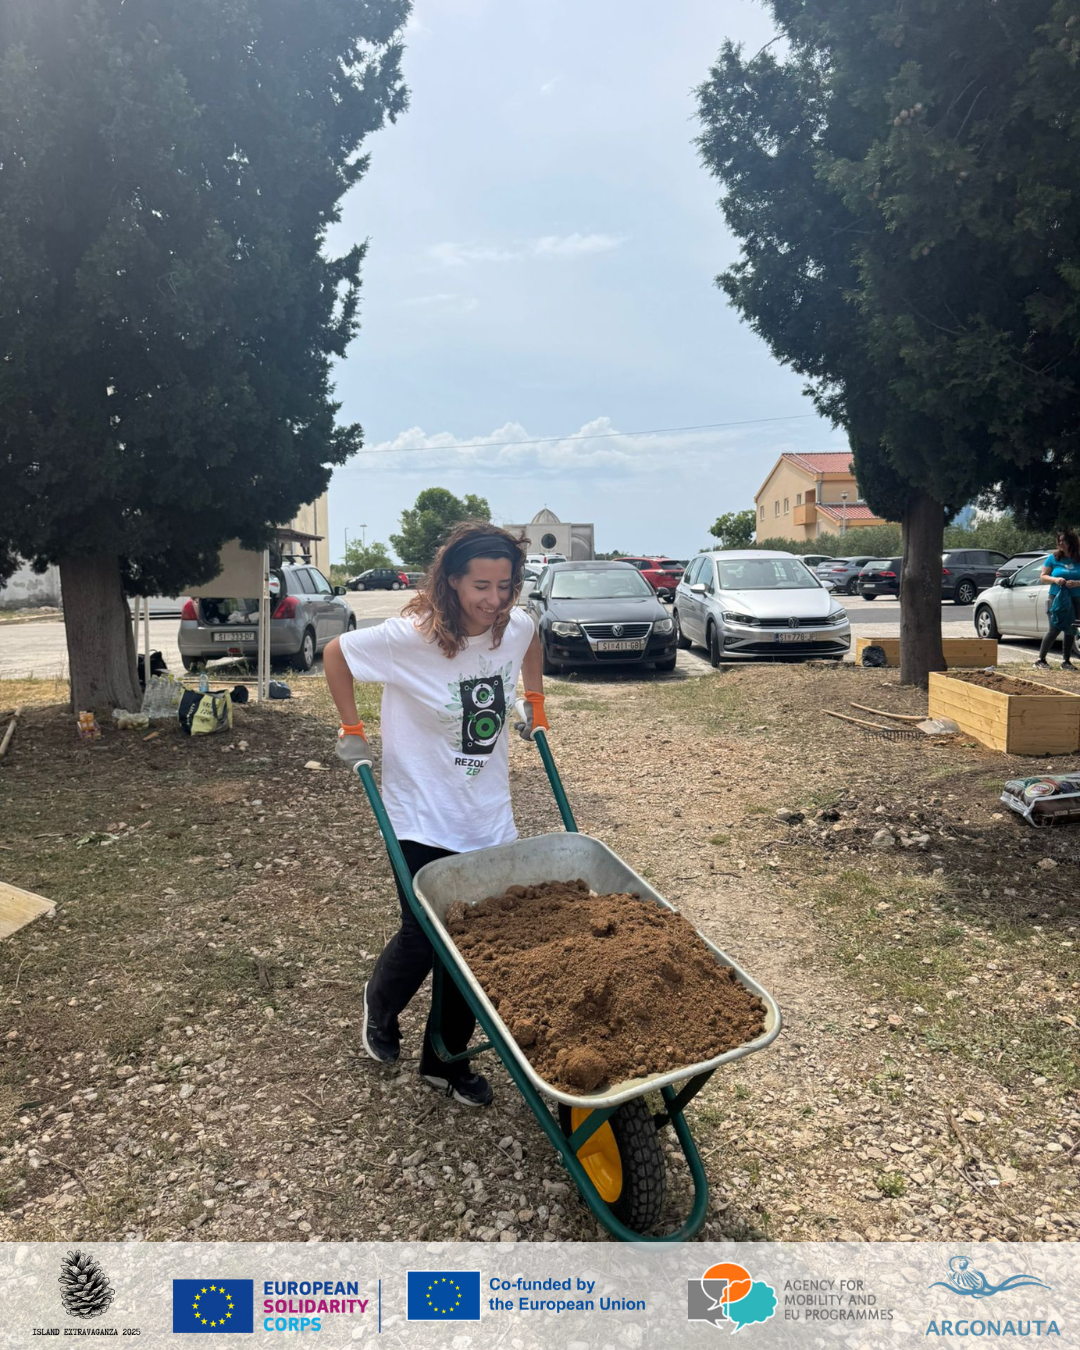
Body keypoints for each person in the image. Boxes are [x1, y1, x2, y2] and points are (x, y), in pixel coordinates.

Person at [322, 522, 547, 1108]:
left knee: (473, 943)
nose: (494, 599)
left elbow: (531, 642)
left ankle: (443, 1062)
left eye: (505, 585)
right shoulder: (409, 638)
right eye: (481, 586)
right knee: (424, 934)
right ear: (451, 581)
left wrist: (534, 702)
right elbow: (336, 654)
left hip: (487, 815)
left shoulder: (513, 626)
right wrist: (351, 726)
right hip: (420, 812)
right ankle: (380, 1006)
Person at [1034, 529, 1080, 671]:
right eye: (1059, 541)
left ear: (1071, 542)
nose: (1060, 543)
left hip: (1076, 597)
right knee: (1054, 628)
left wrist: (1077, 583)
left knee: (1071, 628)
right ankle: (1040, 660)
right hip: (1056, 597)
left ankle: (1066, 661)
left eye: (1063, 541)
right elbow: (1043, 576)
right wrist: (1055, 579)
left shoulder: (1078, 557)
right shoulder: (1053, 558)